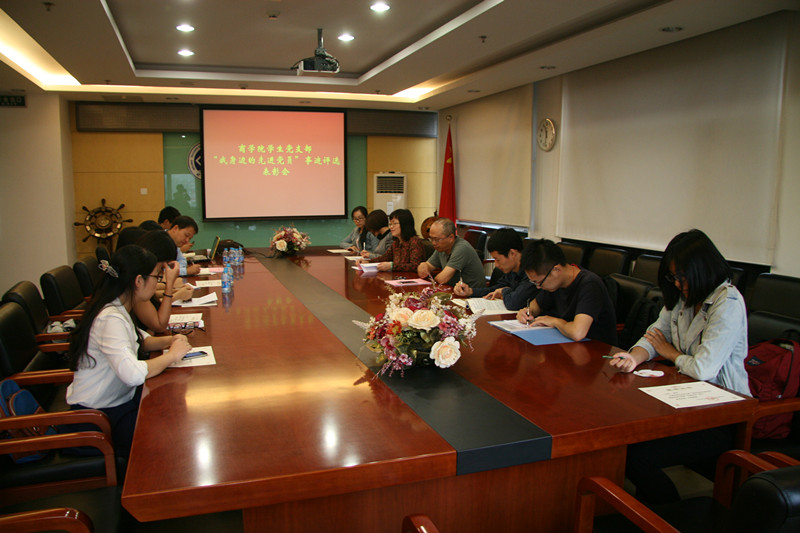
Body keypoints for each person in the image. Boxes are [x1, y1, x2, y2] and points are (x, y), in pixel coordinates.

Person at [608, 229, 749, 504]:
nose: (678, 283)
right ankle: (648, 511)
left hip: (722, 414)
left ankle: (668, 514)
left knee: (636, 456)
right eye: (673, 276)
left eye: (682, 276)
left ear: (703, 269)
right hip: (684, 403)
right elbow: (655, 335)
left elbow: (703, 369)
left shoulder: (727, 302)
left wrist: (670, 352)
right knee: (626, 438)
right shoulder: (683, 298)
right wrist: (634, 357)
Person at [66, 245, 192, 457]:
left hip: (116, 405)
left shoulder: (117, 306)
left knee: (171, 409)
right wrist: (172, 355)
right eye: (156, 277)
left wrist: (171, 340)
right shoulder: (110, 318)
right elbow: (132, 374)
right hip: (96, 421)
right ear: (139, 281)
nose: (158, 282)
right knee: (172, 432)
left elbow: (141, 341)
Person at [515, 239, 617, 345]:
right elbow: (536, 305)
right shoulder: (555, 283)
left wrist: (555, 321)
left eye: (539, 282)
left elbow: (578, 333)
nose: (538, 287)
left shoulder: (590, 284)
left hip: (597, 348)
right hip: (568, 344)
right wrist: (527, 312)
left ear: (556, 270)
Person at [453, 228, 537, 311]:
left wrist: (504, 291)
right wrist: (470, 291)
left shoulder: (532, 272)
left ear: (512, 253)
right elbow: (495, 290)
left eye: (498, 259)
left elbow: (513, 303)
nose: (496, 265)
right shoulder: (512, 270)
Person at [134, 230, 193, 333]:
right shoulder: (137, 284)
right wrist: (170, 285)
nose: (162, 272)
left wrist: (174, 290)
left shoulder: (141, 273)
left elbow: (154, 295)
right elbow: (160, 325)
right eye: (161, 268)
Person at [417, 218, 485, 288]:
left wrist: (432, 276)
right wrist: (423, 266)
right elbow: (428, 266)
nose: (433, 243)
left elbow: (442, 279)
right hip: (454, 289)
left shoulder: (461, 248)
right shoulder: (441, 247)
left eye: (437, 239)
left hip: (472, 292)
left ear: (451, 238)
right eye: (431, 239)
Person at [360, 209, 425, 272]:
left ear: (404, 224)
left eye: (394, 224)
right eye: (390, 224)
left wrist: (391, 266)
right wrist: (368, 262)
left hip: (410, 278)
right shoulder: (396, 242)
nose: (391, 227)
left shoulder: (415, 242)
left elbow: (415, 266)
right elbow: (385, 257)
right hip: (397, 277)